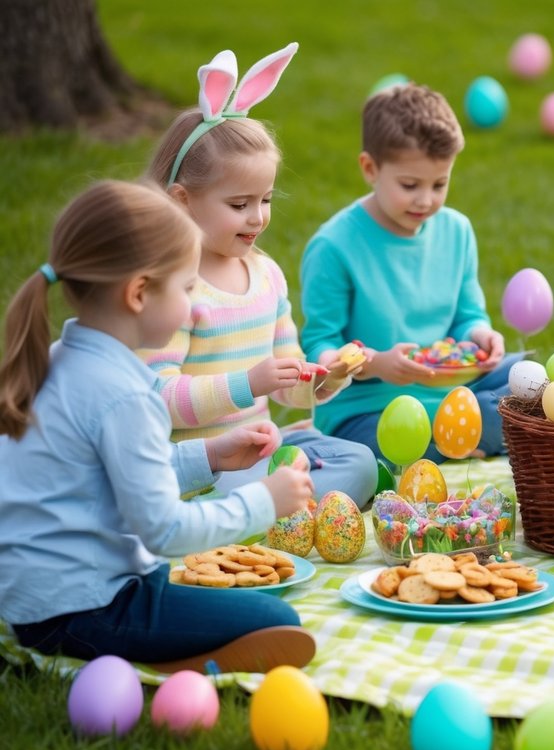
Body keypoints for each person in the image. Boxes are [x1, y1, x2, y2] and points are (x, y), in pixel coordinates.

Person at [0, 180, 318, 673]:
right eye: (187, 288)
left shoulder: (62, 360)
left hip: (37, 601)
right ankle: (174, 662)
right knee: (275, 615)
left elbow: (119, 470)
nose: (195, 305)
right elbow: (166, 529)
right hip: (84, 609)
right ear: (139, 293)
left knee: (222, 604)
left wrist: (208, 455)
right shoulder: (123, 394)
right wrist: (265, 502)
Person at [142, 44, 377, 506]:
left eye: (265, 199)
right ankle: (266, 509)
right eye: (238, 205)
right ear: (182, 199)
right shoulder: (173, 287)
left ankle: (275, 509)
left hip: (262, 449)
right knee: (252, 488)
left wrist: (326, 377)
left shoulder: (266, 276)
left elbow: (290, 384)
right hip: (196, 464)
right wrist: (248, 383)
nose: (257, 218)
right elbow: (159, 399)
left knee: (362, 463)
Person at [299, 81, 521, 464]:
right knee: (382, 448)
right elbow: (320, 347)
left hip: (452, 393)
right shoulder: (334, 246)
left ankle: (460, 437)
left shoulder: (456, 231)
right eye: (409, 185)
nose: (426, 200)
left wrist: (481, 336)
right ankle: (469, 437)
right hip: (371, 409)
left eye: (440, 184)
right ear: (370, 168)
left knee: (528, 376)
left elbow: (467, 316)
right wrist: (373, 362)